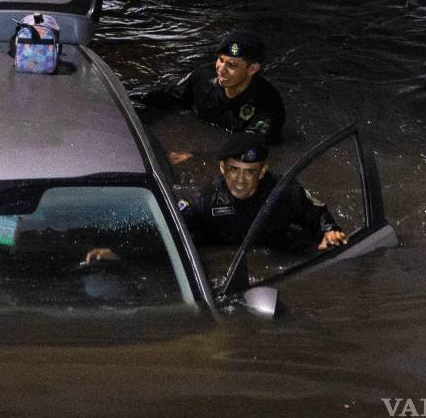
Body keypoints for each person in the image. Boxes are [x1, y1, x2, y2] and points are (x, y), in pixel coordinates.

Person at [178, 132, 347, 251]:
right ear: (222, 168)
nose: (240, 180)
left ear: (263, 171)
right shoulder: (203, 200)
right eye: (234, 170)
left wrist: (330, 231)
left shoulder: (284, 192)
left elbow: (317, 215)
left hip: (276, 246)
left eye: (250, 172)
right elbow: (174, 234)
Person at [143, 29, 285, 163]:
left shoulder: (269, 104)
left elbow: (247, 143)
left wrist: (196, 155)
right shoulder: (203, 77)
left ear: (252, 69)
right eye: (221, 60)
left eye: (232, 65)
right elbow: (170, 98)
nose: (221, 70)